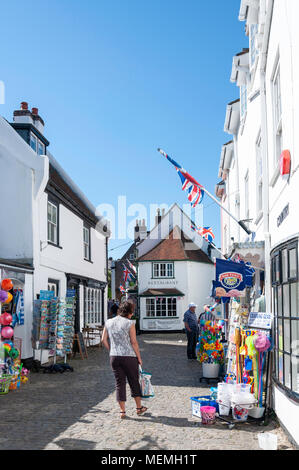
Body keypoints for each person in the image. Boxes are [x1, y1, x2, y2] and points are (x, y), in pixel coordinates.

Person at [102, 300, 147, 419]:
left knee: (119, 383)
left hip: (114, 356)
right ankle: (138, 408)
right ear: (129, 312)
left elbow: (103, 340)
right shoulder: (129, 323)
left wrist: (111, 350)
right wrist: (139, 357)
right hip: (129, 356)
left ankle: (122, 411)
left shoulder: (109, 322)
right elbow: (134, 342)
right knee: (133, 381)